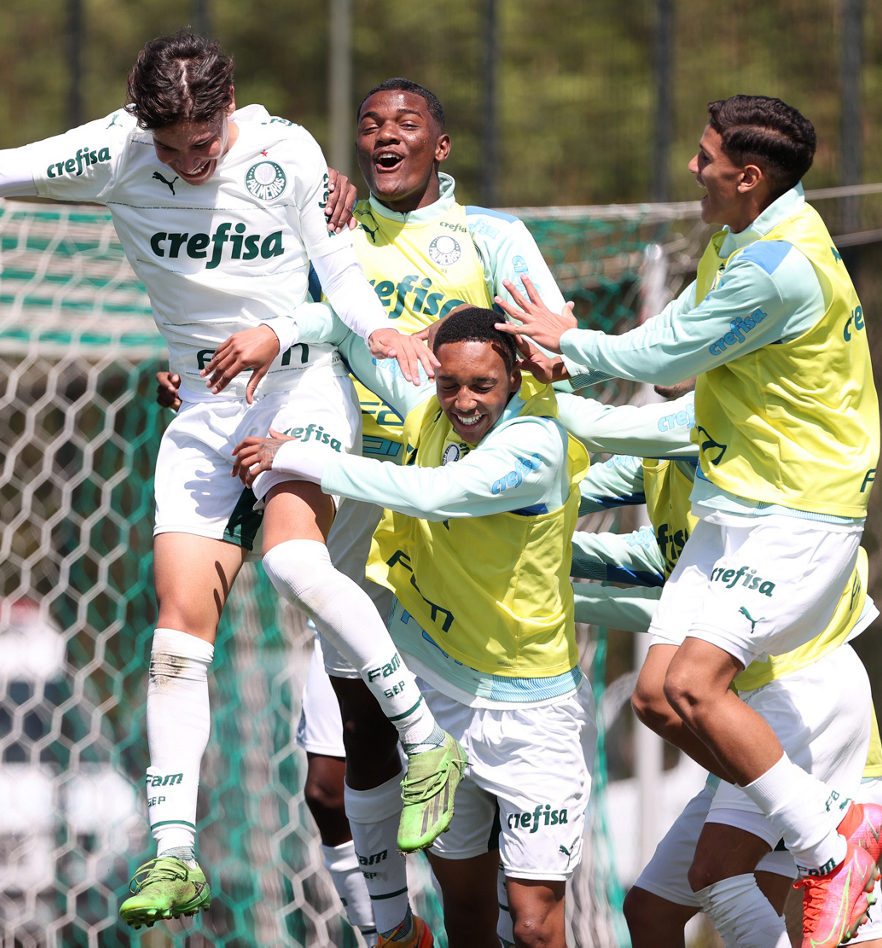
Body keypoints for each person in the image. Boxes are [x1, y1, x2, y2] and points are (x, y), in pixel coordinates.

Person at [0, 31, 464, 930]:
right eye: (170, 147)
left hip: (299, 389)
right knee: (176, 634)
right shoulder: (114, 151)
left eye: (202, 143)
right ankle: (173, 852)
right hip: (203, 409)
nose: (189, 162)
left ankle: (426, 740)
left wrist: (376, 332)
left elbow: (338, 273)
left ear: (229, 104)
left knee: (293, 562)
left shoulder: (287, 151)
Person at [165, 78, 574, 947]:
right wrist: (204, 376)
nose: (386, 136)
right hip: (347, 491)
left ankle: (495, 916)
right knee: (329, 779)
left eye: (406, 123)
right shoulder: (328, 226)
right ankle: (392, 929)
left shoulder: (491, 236)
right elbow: (275, 323)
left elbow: (550, 341)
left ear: (441, 145)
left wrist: (551, 363)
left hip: (452, 508)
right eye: (371, 124)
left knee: (481, 784)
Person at [500, 94, 882, 946]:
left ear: (747, 177)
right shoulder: (734, 242)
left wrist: (569, 343)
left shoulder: (777, 266)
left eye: (705, 156)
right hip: (739, 506)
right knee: (658, 694)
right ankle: (825, 828)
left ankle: (831, 844)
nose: (692, 167)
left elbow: (664, 356)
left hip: (798, 509)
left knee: (691, 699)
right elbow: (672, 344)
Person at [234, 308, 595, 948]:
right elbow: (347, 336)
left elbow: (434, 493)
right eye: (450, 384)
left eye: (482, 385)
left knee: (534, 926)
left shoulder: (536, 444)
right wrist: (278, 334)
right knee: (466, 914)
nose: (464, 402)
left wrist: (302, 456)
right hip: (441, 695)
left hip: (535, 714)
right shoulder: (432, 407)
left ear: (514, 376)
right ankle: (396, 929)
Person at [551, 388, 882, 948]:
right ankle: (822, 818)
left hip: (801, 701)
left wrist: (535, 388)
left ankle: (825, 816)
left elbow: (618, 428)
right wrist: (504, 529)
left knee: (726, 876)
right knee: (652, 911)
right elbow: (574, 497)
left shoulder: (726, 420)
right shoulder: (661, 462)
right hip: (746, 721)